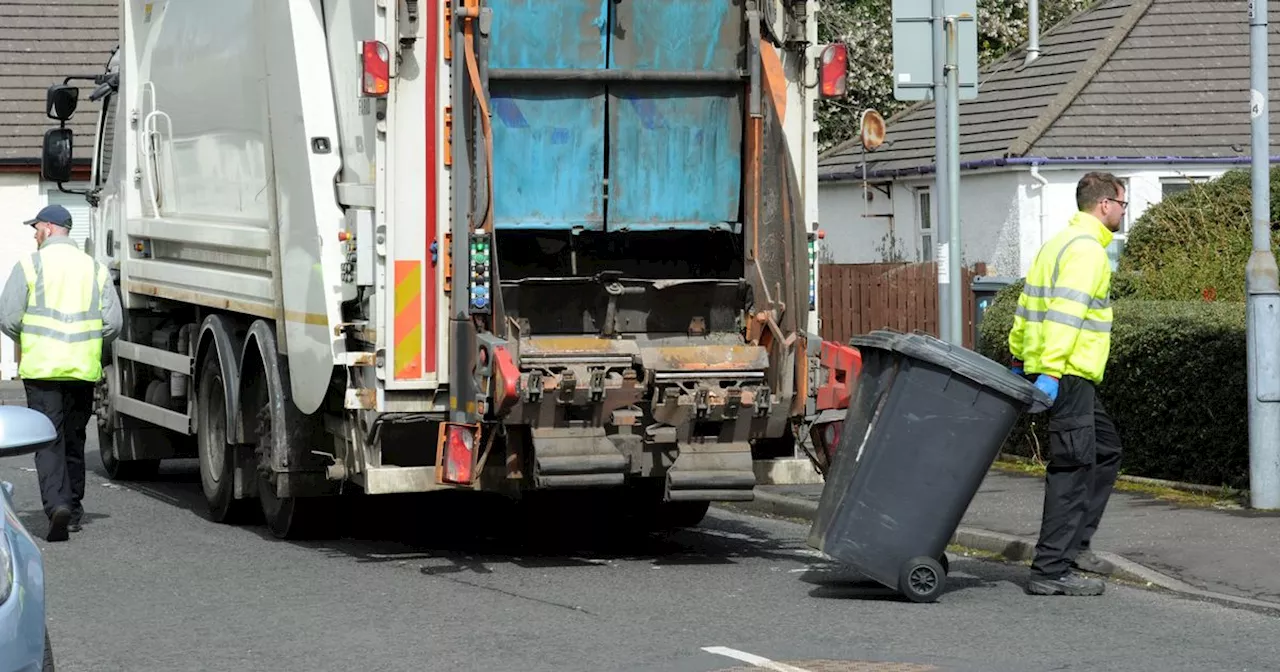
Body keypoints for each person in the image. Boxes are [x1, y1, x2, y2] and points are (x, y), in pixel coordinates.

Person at [1008, 172, 1124, 597]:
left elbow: (1026, 304)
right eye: (1123, 205)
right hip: (1069, 374)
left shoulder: (1056, 244)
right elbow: (1064, 315)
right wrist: (1052, 372)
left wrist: (1020, 355)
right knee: (1072, 468)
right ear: (1105, 205)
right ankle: (1051, 569)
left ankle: (1075, 546)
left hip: (1065, 373)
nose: (1123, 213)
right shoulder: (1087, 252)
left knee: (1105, 450)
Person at [0, 204, 121, 542]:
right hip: (82, 369)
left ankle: (57, 506)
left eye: (36, 227)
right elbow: (113, 323)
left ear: (50, 228)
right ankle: (75, 511)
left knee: (47, 439)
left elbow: (8, 316)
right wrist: (86, 343)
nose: (35, 234)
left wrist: (33, 338)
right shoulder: (94, 269)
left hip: (42, 369)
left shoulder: (30, 265)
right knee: (74, 437)